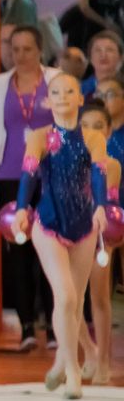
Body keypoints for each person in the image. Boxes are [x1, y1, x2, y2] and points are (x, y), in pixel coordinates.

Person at [14, 73, 110, 398]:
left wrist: (101, 206)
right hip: (48, 225)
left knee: (76, 302)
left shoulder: (93, 137)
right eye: (56, 92)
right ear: (47, 100)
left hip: (83, 227)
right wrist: (21, 209)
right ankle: (72, 370)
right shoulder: (39, 137)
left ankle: (59, 363)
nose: (63, 96)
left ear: (80, 99)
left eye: (70, 91)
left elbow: (98, 175)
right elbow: (28, 174)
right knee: (66, 297)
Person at [0, 26, 61, 348]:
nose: (21, 55)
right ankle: (27, 326)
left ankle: (54, 325)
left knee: (52, 248)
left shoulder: (55, 80)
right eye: (15, 49)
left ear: (40, 50)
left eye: (28, 49)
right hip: (10, 175)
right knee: (19, 252)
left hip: (50, 175)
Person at [76, 97, 121, 383]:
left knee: (99, 296)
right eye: (85, 126)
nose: (91, 132)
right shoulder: (69, 161)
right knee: (70, 298)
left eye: (98, 126)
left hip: (102, 235)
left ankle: (103, 359)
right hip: (73, 233)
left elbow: (106, 201)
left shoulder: (112, 164)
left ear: (108, 131)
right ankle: (89, 352)